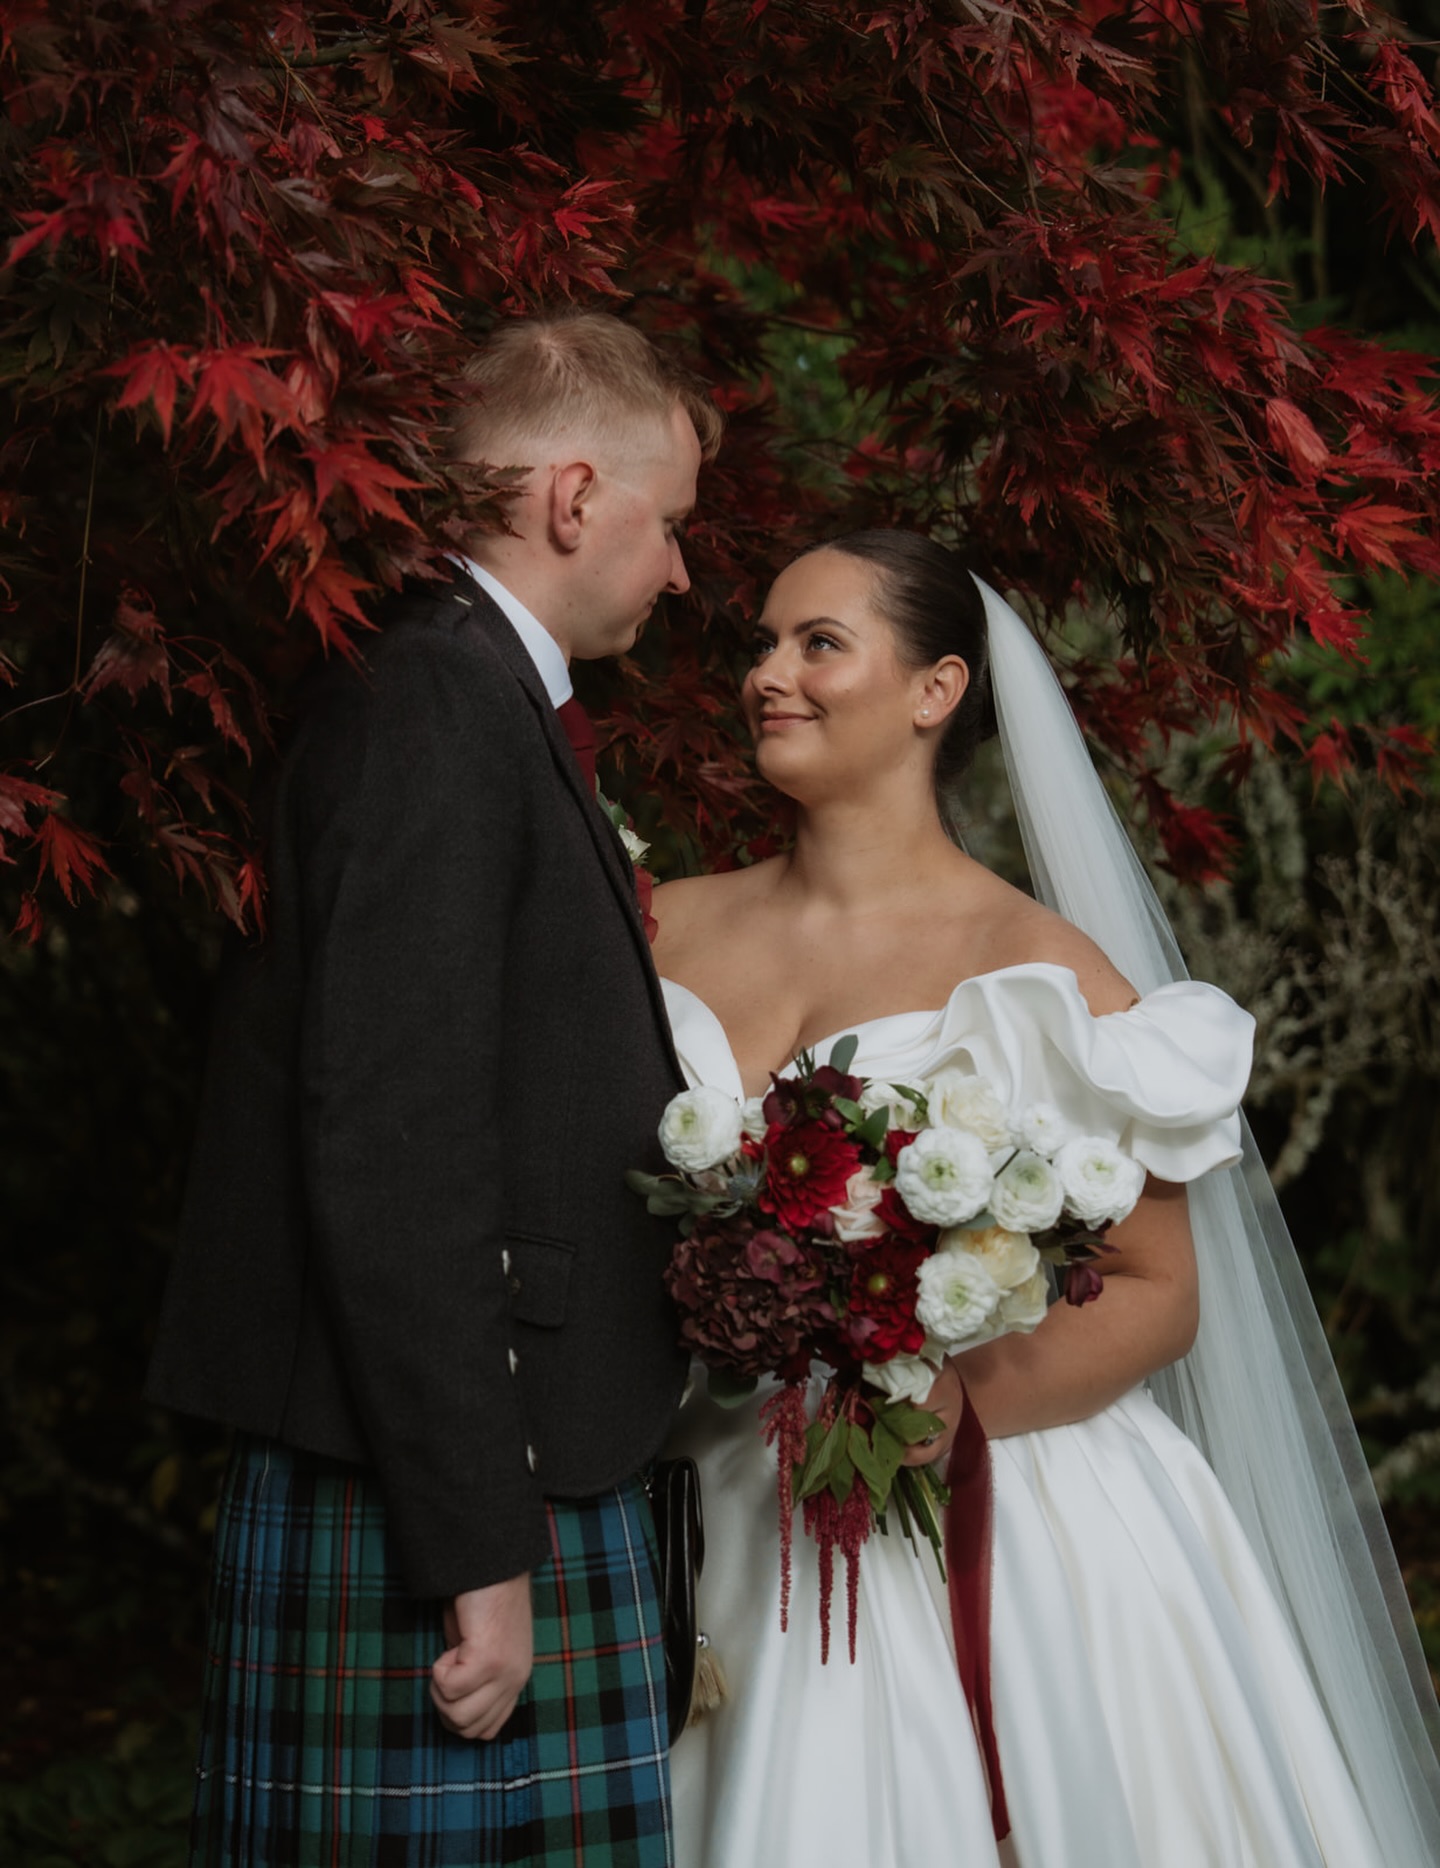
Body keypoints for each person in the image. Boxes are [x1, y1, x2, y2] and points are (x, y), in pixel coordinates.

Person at [650, 531, 1440, 1867]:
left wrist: (946, 1407)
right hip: (703, 1503)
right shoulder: (661, 927)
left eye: (818, 644)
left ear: (936, 690)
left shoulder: (1038, 971)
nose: (767, 675)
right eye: (763, 644)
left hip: (977, 1506)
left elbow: (1157, 1294)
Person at [146, 310, 722, 1866]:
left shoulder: (463, 690)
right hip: (431, 1480)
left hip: (475, 1452)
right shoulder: (434, 698)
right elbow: (395, 1137)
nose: (680, 572)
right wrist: (478, 1540)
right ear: (574, 497)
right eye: (670, 522)